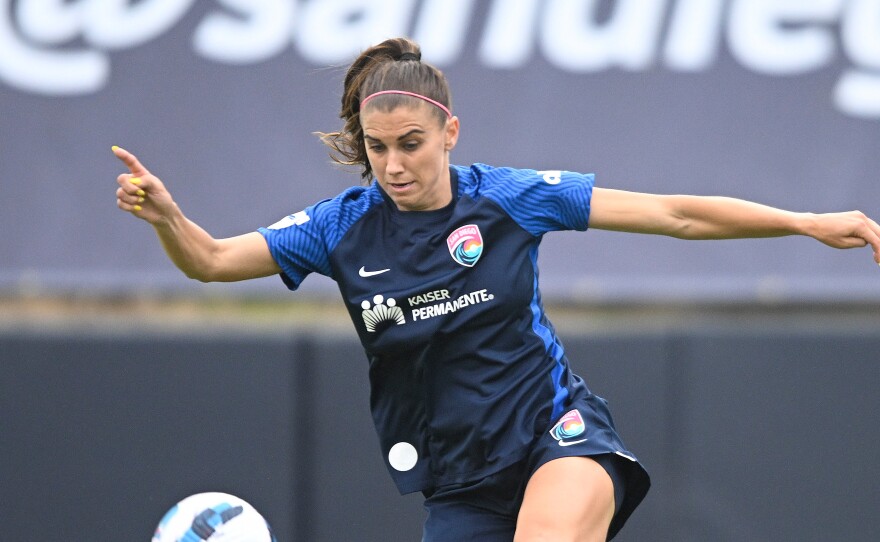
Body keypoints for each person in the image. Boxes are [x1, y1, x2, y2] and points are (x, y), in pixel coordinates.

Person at [113, 37, 880, 542]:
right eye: (377, 149)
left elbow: (673, 214)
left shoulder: (511, 198)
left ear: (450, 133)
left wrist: (804, 221)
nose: (393, 165)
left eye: (411, 145)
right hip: (458, 484)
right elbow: (211, 261)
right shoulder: (339, 228)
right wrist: (169, 218)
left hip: (560, 438)